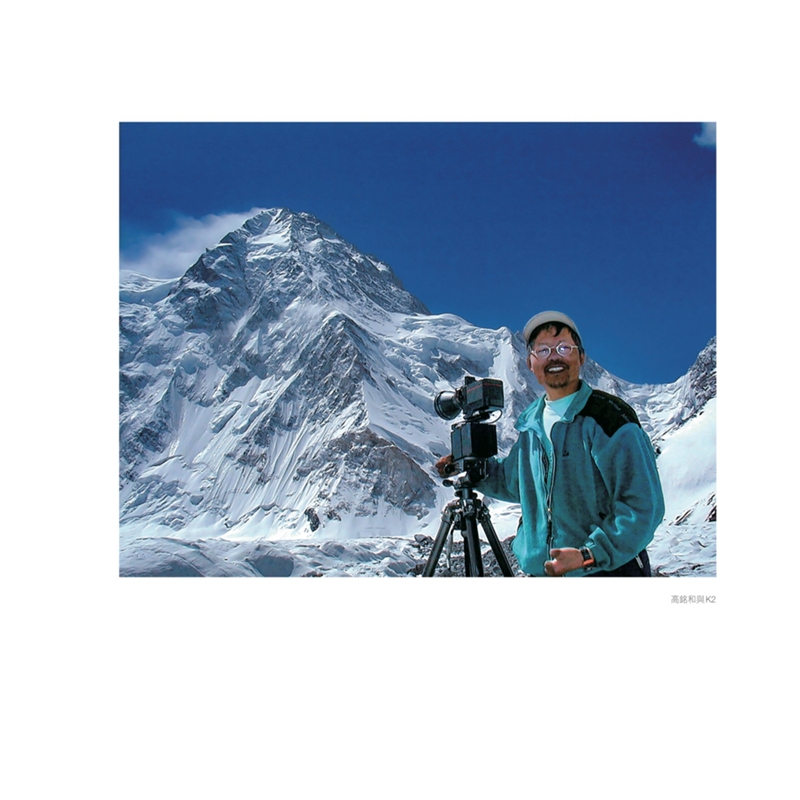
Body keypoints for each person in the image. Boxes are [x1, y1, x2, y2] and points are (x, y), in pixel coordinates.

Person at [436, 310, 664, 577]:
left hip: (605, 572)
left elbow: (642, 507)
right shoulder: (530, 425)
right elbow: (513, 481)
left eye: (563, 348)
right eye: (543, 350)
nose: (554, 357)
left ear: (581, 357)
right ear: (530, 363)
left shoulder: (608, 419)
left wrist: (588, 555)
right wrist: (469, 467)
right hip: (543, 574)